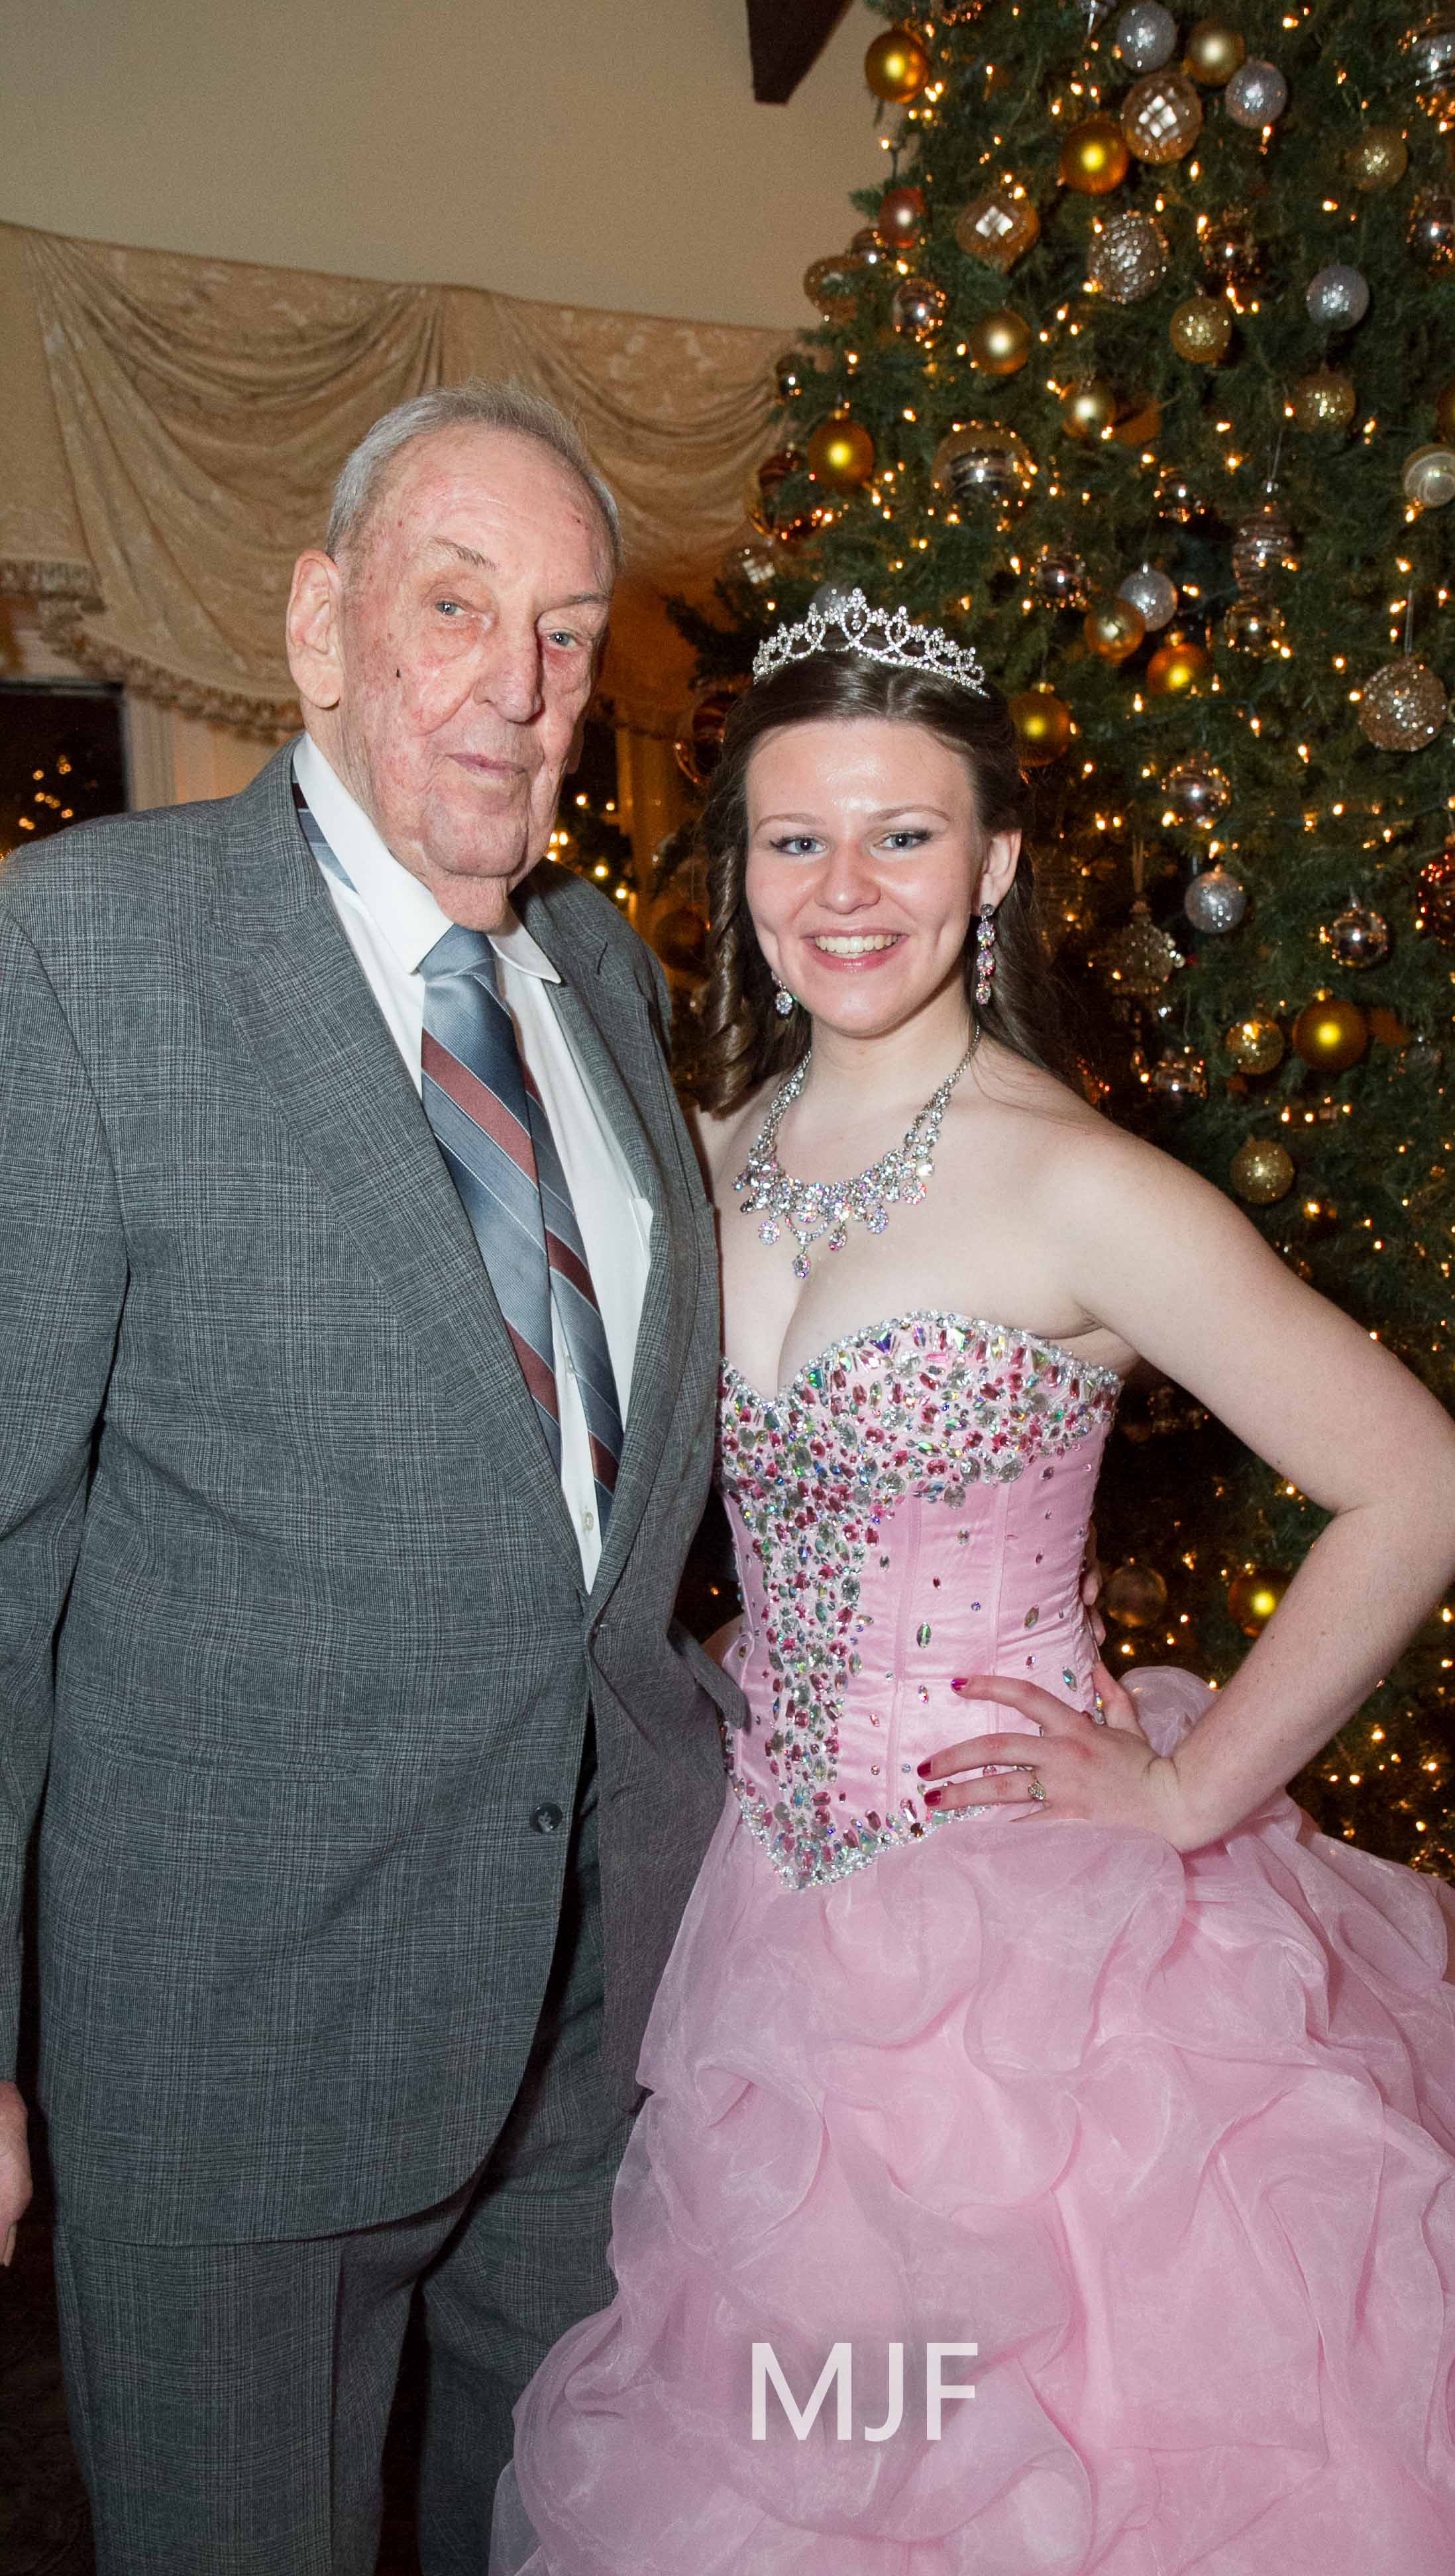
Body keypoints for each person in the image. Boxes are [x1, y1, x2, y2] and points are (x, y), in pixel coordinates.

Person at [493, 589, 1455, 2575]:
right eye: (797, 838)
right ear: (739, 872)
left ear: (995, 865)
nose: (847, 889)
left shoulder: (1082, 1184)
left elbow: (1417, 1486)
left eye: (905, 833)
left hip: (1043, 1969)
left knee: (1091, 2459)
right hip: (772, 1932)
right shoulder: (706, 1155)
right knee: (832, 2435)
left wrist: (1187, 1789)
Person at [0, 381, 741, 2575]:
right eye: (456, 606)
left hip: (596, 2016)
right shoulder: (77, 949)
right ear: (321, 626)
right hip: (236, 2045)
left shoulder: (601, 969)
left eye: (568, 633)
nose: (520, 688)